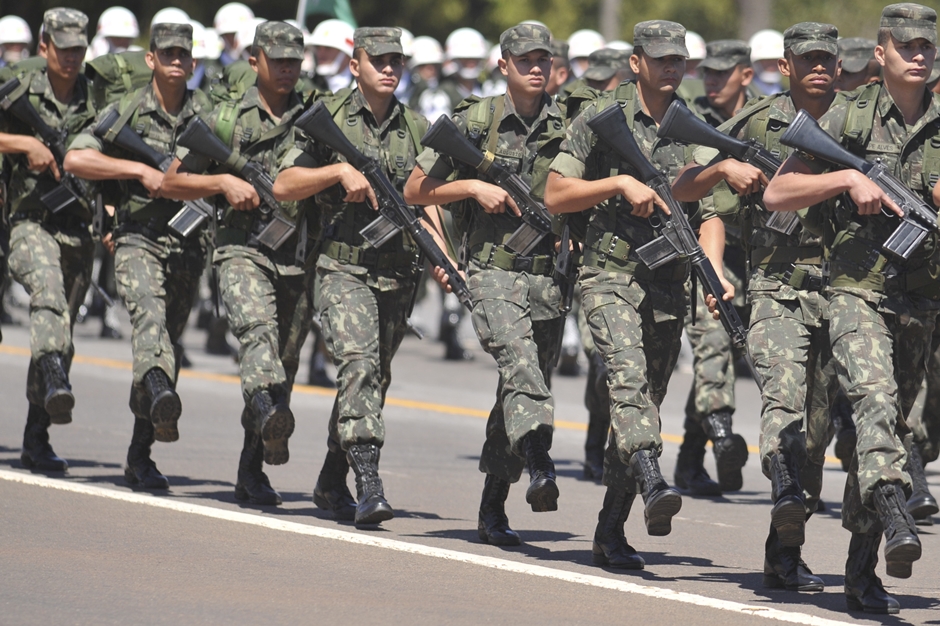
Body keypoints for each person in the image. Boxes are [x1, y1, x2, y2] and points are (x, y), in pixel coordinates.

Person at [763, 4, 940, 613]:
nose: (919, 55)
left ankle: (862, 573)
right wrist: (845, 182)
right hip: (856, 292)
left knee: (889, 424)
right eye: (907, 46)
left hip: (921, 300)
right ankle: (895, 510)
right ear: (882, 53)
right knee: (875, 403)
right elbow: (777, 191)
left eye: (928, 46)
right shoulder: (846, 116)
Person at [674, 21, 846, 592]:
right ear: (786, 66)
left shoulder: (859, 124)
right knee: (784, 403)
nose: (819, 66)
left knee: (818, 436)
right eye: (808, 58)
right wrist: (723, 170)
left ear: (840, 65)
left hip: (848, 297)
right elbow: (688, 190)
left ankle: (782, 555)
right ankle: (782, 489)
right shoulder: (752, 124)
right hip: (777, 288)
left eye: (828, 57)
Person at [544, 20, 698, 569]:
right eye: (660, 59)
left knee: (644, 405)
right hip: (608, 274)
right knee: (628, 378)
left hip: (667, 283)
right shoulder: (600, 117)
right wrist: (615, 183)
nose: (671, 68)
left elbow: (711, 209)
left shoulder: (691, 122)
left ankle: (611, 529)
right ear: (636, 63)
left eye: (678, 59)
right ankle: (654, 476)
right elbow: (556, 193)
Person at [405, 23, 566, 546]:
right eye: (525, 59)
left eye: (543, 59)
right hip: (493, 273)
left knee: (517, 388)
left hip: (547, 279)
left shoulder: (567, 124)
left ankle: (492, 504)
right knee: (522, 365)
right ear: (503, 65)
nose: (536, 67)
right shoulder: (475, 121)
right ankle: (540, 458)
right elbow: (414, 189)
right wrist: (472, 185)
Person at [273, 27, 442, 527]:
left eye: (397, 60)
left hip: (396, 273)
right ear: (355, 65)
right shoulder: (328, 117)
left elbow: (424, 201)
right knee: (359, 364)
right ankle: (369, 481)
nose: (390, 68)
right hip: (340, 268)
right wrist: (335, 173)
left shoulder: (416, 126)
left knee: (372, 379)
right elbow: (284, 184)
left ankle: (331, 477)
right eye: (380, 60)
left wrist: (443, 259)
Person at [162, 21, 312, 505]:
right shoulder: (226, 117)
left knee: (283, 362)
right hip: (240, 247)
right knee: (257, 334)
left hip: (297, 255)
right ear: (254, 61)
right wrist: (223, 183)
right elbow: (172, 181)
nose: (287, 69)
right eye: (278, 60)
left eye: (295, 60)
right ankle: (266, 407)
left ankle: (252, 467)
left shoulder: (314, 115)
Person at [65, 22, 211, 489]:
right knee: (148, 322)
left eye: (183, 54)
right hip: (136, 237)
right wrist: (140, 170)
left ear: (192, 62)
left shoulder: (209, 115)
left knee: (167, 344)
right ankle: (158, 401)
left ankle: (139, 450)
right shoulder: (126, 110)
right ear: (150, 59)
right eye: (166, 53)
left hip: (188, 244)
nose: (175, 61)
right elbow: (77, 158)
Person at [0, 8, 97, 472]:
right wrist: (26, 145)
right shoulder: (20, 84)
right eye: (63, 48)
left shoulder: (95, 92)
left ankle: (35, 437)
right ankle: (54, 372)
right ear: (44, 47)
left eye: (79, 48)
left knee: (62, 331)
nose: (72, 57)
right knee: (48, 295)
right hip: (28, 220)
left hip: (78, 226)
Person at [675, 39, 758, 498]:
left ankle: (690, 460)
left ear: (745, 75)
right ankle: (723, 434)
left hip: (754, 258)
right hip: (699, 248)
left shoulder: (766, 120)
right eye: (706, 72)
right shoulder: (687, 119)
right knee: (713, 344)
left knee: (727, 353)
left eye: (722, 73)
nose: (711, 80)